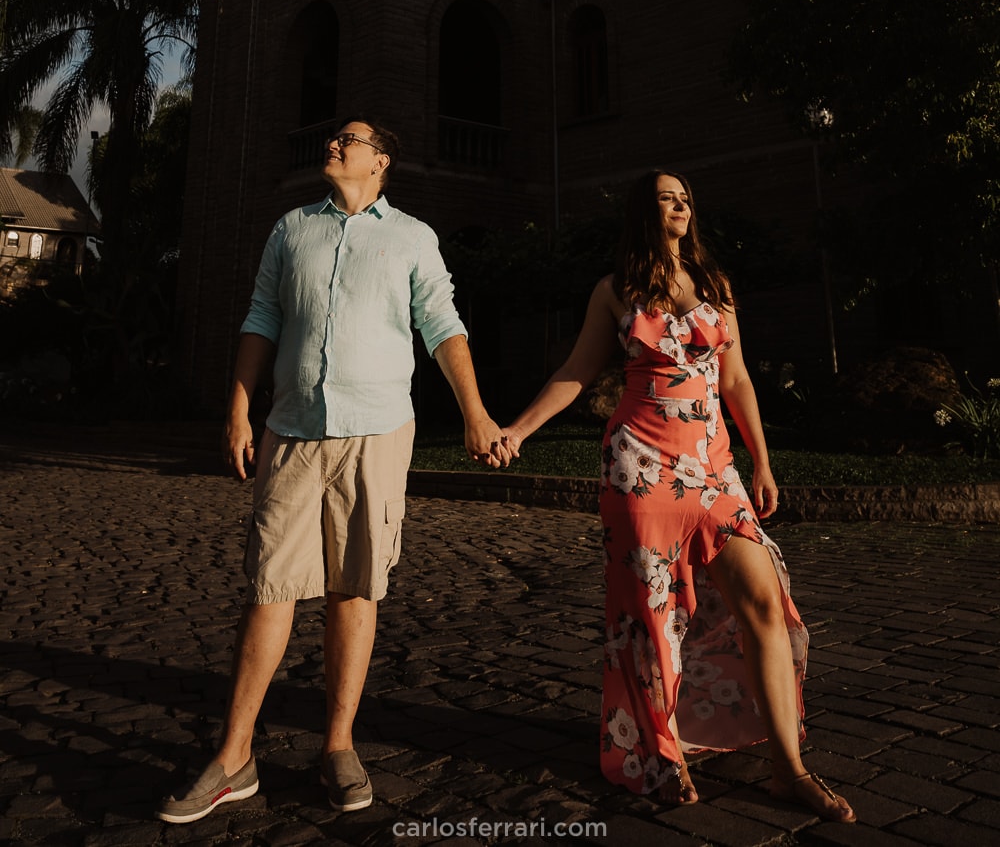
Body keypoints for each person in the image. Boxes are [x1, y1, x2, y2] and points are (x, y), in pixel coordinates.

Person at [158, 117, 509, 825]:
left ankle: (339, 747)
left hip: (377, 432)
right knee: (268, 588)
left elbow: (442, 327)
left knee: (355, 588)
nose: (332, 144)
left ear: (379, 161)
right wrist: (237, 411)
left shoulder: (411, 236)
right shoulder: (291, 230)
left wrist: (474, 412)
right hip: (290, 431)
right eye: (333, 137)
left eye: (347, 139)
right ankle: (233, 757)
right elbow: (262, 319)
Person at [496, 169, 854, 824]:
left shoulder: (716, 286)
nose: (681, 205)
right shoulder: (615, 291)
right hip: (640, 466)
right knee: (649, 620)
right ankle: (662, 757)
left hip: (716, 470)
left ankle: (788, 768)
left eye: (686, 197)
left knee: (765, 601)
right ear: (643, 212)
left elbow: (737, 377)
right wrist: (517, 429)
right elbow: (578, 371)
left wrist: (762, 461)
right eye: (667, 197)